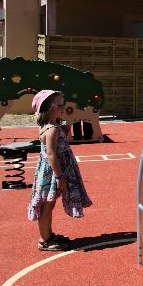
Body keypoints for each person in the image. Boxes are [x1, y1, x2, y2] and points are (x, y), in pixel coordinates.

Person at [27, 90, 92, 251]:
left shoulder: (49, 125)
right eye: (59, 105)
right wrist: (59, 177)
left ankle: (48, 235)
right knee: (47, 205)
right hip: (53, 172)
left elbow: (64, 130)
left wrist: (64, 123)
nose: (63, 107)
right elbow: (51, 154)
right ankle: (44, 240)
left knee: (49, 204)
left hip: (49, 170)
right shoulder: (52, 129)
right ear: (48, 107)